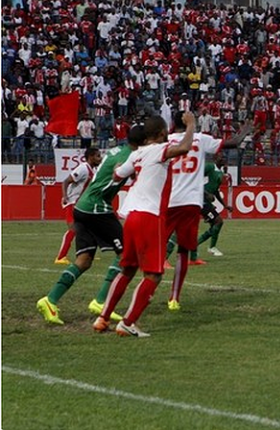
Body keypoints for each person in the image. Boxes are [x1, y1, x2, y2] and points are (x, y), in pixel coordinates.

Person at [93, 113, 195, 337]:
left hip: (132, 216)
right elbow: (185, 147)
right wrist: (191, 124)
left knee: (127, 269)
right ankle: (128, 322)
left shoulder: (137, 154)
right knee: (153, 275)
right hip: (150, 216)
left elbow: (117, 174)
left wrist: (121, 167)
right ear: (160, 134)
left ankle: (103, 318)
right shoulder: (159, 149)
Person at [36, 126, 146, 326]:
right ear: (144, 142)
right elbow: (119, 173)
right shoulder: (131, 156)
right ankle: (101, 301)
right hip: (97, 207)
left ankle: (50, 300)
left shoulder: (118, 150)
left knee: (84, 260)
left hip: (83, 207)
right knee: (126, 254)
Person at [164, 114, 250, 310]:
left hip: (168, 200)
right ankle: (174, 297)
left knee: (156, 246)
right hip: (191, 202)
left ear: (171, 125)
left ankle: (148, 288)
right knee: (183, 252)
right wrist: (246, 130)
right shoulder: (201, 139)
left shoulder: (165, 142)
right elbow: (234, 143)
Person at [55, 147, 102, 265]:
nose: (100, 158)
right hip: (72, 202)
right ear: (90, 157)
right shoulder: (83, 168)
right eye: (97, 156)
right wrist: (65, 197)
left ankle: (87, 255)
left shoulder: (93, 171)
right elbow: (66, 181)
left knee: (90, 229)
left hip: (82, 203)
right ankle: (60, 257)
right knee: (73, 229)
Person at [192, 156, 232, 260]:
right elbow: (195, 178)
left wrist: (225, 205)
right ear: (215, 159)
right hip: (201, 199)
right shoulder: (210, 167)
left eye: (223, 157)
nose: (222, 158)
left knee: (215, 225)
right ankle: (211, 247)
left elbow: (216, 191)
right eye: (220, 156)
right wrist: (205, 193)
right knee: (218, 221)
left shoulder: (220, 173)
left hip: (206, 201)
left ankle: (196, 246)